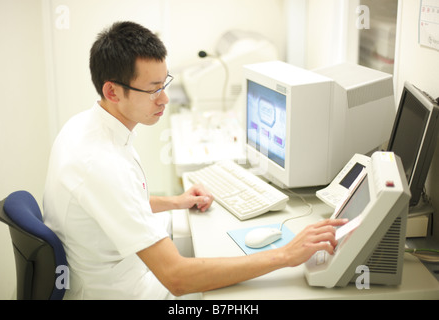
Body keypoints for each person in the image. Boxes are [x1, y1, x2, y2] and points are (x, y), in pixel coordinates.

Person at [43, 21, 347, 300]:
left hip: (120, 272)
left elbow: (118, 203)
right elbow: (176, 279)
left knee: (206, 244)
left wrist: (176, 201)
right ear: (112, 91)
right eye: (153, 90)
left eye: (164, 84)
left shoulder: (84, 126)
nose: (163, 98)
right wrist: (285, 255)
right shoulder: (100, 163)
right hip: (128, 293)